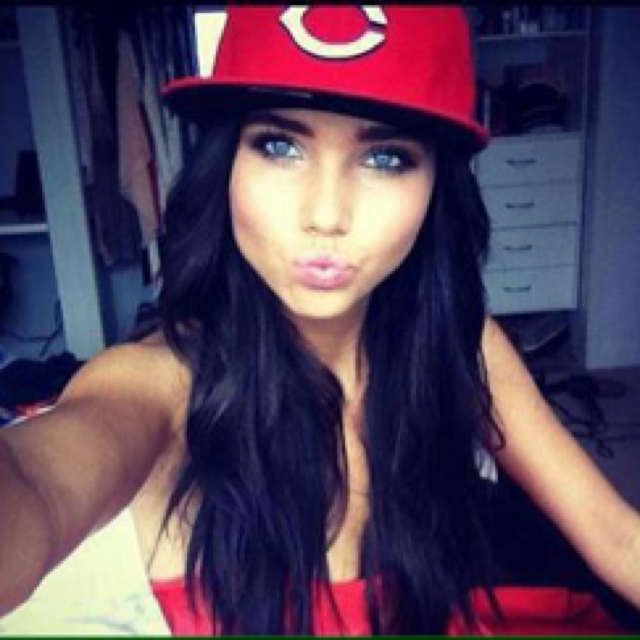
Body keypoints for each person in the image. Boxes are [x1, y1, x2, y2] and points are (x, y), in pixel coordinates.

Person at [1, 5, 640, 635]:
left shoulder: (455, 341)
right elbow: (34, 496)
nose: (326, 214)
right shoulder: (159, 383)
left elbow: (615, 537)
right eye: (279, 145)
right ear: (226, 164)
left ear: (437, 188)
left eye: (385, 157)